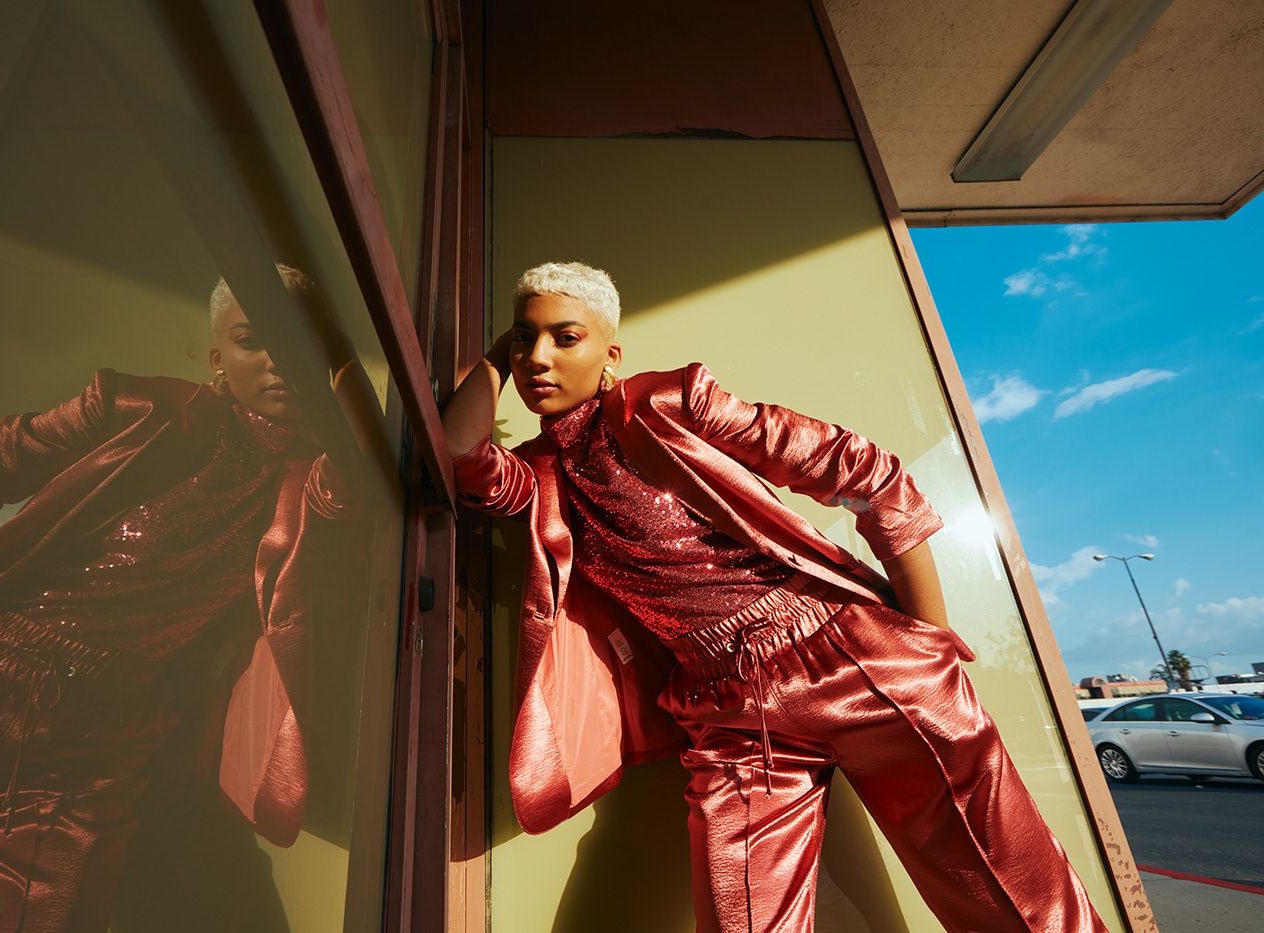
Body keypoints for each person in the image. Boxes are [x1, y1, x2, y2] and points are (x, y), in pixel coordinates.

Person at [444, 261, 1109, 932]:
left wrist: (928, 642)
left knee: (1019, 900)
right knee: (743, 919)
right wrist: (501, 355)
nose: (539, 357)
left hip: (850, 658)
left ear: (611, 354)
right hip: (727, 709)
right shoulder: (541, 475)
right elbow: (458, 448)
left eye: (565, 337)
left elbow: (866, 473)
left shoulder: (669, 406)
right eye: (525, 339)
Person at [0, 265, 349, 932]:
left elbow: (351, 498)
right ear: (218, 359)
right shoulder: (136, 414)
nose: (277, 363)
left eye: (299, 342)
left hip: (89, 745)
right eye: (251, 340)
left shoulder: (317, 481)